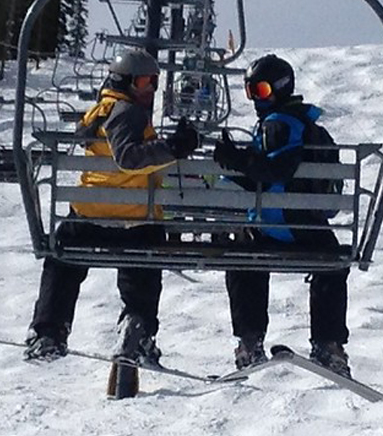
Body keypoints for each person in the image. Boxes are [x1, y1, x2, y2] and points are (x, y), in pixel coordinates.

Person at [24, 48, 200, 365]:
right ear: (125, 82)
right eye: (145, 82)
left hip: (90, 218)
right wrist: (173, 147)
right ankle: (138, 326)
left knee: (62, 258)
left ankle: (49, 329)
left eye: (154, 83)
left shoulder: (99, 112)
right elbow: (128, 158)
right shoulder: (128, 112)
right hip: (134, 222)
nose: (151, 90)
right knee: (144, 257)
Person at [212, 53, 352, 376]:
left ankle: (250, 340)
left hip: (279, 225)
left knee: (242, 259)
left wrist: (238, 162)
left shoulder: (281, 124)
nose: (256, 100)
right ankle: (328, 345)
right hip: (306, 228)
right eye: (251, 93)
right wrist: (238, 163)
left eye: (260, 91)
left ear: (281, 88)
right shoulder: (301, 123)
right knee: (332, 262)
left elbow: (277, 170)